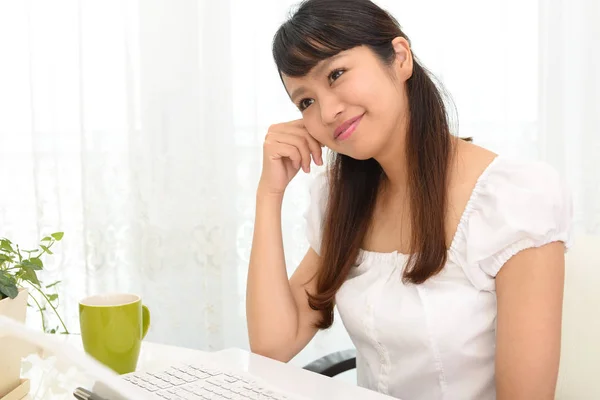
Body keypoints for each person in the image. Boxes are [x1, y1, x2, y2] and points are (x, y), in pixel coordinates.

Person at [246, 0, 573, 399]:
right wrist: (269, 193)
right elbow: (272, 345)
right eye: (306, 102)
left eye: (336, 74)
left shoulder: (511, 200)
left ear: (400, 58)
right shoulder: (342, 200)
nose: (328, 112)